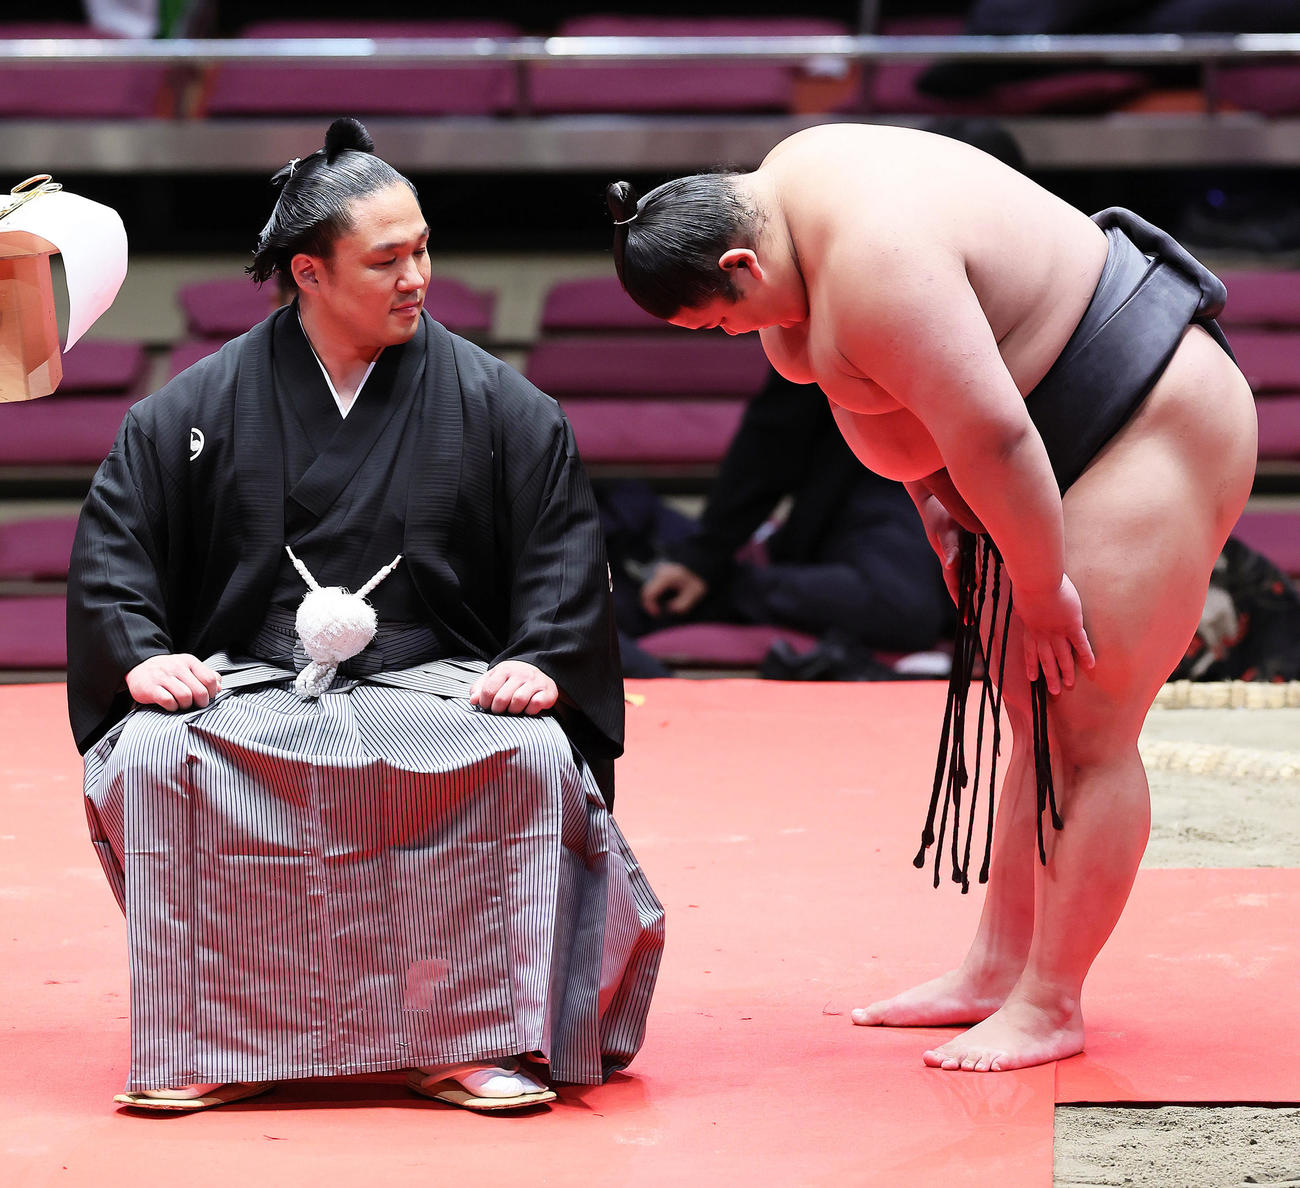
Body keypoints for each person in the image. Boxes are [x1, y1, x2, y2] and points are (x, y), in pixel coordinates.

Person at [604, 122, 1257, 1072]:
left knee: (1086, 727)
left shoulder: (873, 258)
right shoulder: (784, 197)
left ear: (741, 264)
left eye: (724, 323)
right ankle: (998, 970)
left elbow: (992, 435)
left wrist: (1039, 588)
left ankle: (1051, 1002)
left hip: (1142, 413)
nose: (739, 340)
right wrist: (936, 504)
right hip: (1038, 427)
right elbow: (908, 400)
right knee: (1033, 719)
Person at [68, 117, 664, 1113]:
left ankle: (476, 1039)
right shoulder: (189, 410)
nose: (416, 276)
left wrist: (543, 658)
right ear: (308, 272)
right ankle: (214, 1037)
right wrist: (138, 655)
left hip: (439, 682)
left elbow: (565, 556)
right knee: (154, 758)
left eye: (422, 248)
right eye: (385, 259)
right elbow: (115, 554)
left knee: (525, 758)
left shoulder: (500, 404)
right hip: (253, 681)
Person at [610, 368, 950, 669]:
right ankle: (720, 585)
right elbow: (775, 434)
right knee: (900, 605)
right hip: (878, 492)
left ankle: (724, 584)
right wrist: (707, 554)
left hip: (934, 490)